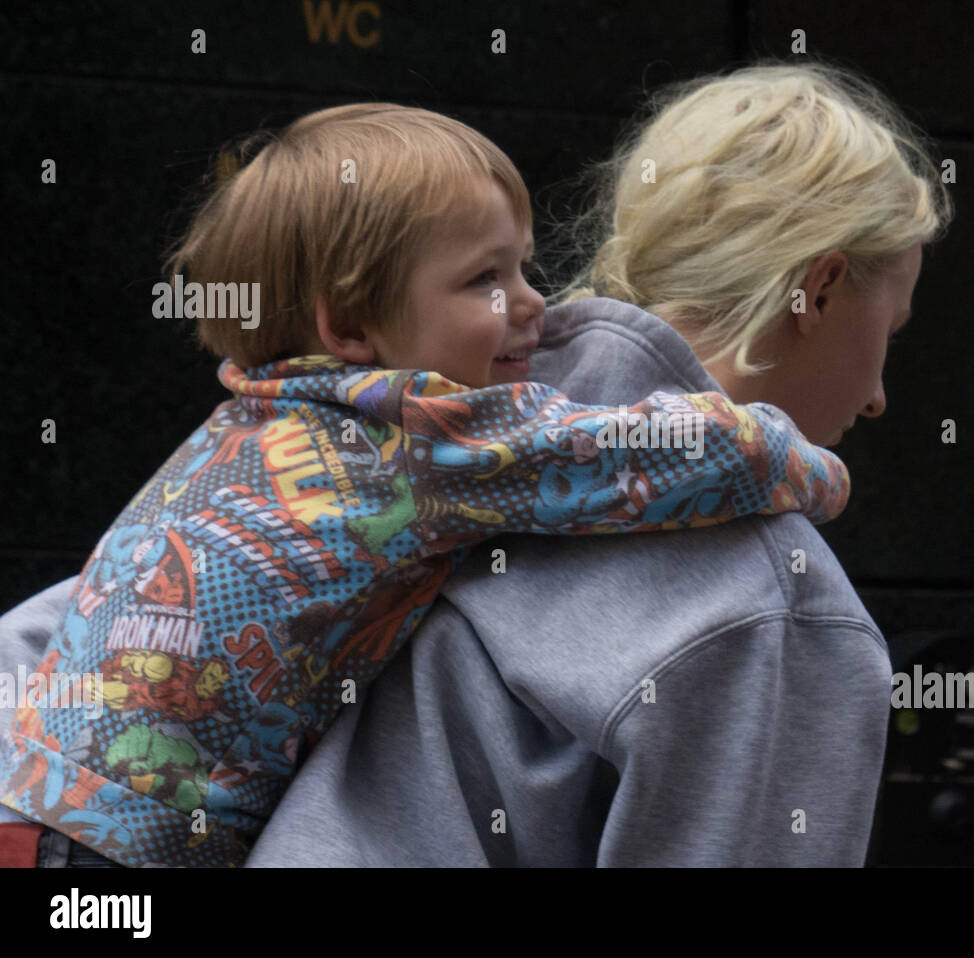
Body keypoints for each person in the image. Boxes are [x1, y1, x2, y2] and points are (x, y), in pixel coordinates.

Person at [0, 102, 857, 868]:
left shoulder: (250, 421)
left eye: (524, 267)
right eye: (485, 279)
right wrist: (803, 466)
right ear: (349, 327)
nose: (534, 304)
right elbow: (646, 456)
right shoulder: (415, 438)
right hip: (116, 849)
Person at [239, 59, 952, 866]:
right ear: (818, 290)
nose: (877, 397)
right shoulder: (772, 607)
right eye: (888, 331)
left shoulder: (407, 453)